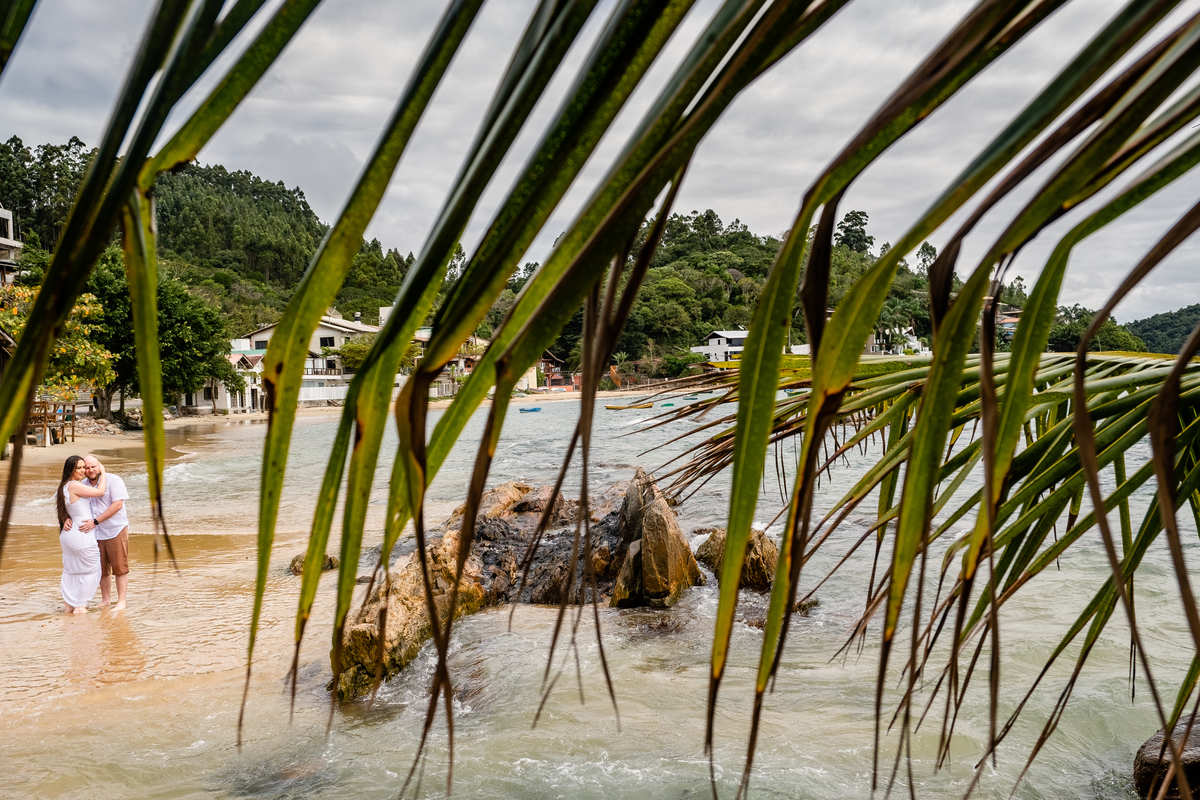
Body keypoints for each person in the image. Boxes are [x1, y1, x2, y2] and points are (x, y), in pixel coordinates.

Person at [78, 455, 130, 610]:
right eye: (86, 468)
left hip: (115, 529)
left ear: (100, 466)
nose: (90, 470)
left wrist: (95, 521)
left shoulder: (114, 480)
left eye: (93, 466)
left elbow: (117, 505)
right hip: (95, 533)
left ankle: (121, 602)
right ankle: (105, 600)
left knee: (120, 567)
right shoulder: (83, 484)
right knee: (101, 569)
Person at [56, 455, 107, 614]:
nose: (83, 471)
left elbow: (66, 509)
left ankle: (69, 607)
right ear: (70, 469)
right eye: (79, 467)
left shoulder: (63, 486)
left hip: (69, 534)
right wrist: (103, 472)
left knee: (72, 570)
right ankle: (80, 607)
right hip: (81, 533)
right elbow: (100, 491)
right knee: (92, 569)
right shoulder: (73, 485)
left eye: (83, 467)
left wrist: (65, 518)